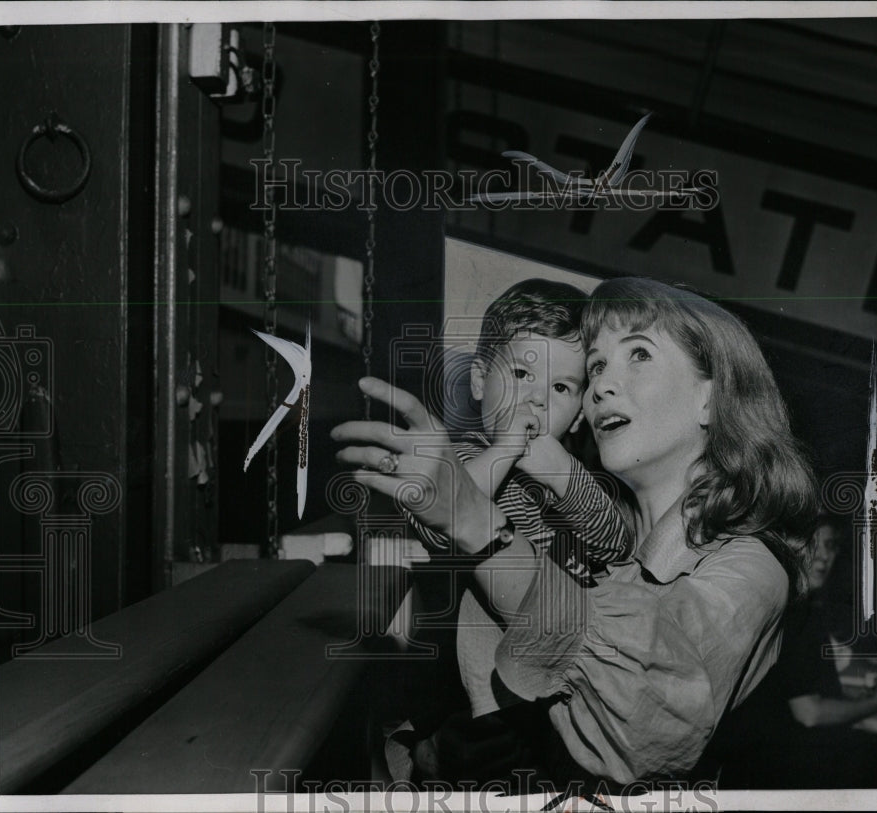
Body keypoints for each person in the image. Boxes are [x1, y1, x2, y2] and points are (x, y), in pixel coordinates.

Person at [333, 276, 818, 786]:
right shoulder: (614, 533)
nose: (603, 385)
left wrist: (474, 517)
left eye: (639, 355)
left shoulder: (748, 569)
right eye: (598, 366)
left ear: (712, 400)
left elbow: (643, 716)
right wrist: (435, 752)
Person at [403, 279, 633, 720]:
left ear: (581, 414)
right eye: (522, 375)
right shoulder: (468, 455)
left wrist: (563, 474)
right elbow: (438, 514)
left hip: (570, 651)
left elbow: (615, 545)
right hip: (491, 662)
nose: (537, 400)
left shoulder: (576, 474)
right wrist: (504, 451)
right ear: (478, 381)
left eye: (562, 388)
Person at [717, 516, 877, 789]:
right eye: (814, 544)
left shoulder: (792, 604)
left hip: (750, 766)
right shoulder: (797, 613)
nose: (824, 555)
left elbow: (792, 689)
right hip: (772, 772)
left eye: (831, 545)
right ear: (792, 547)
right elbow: (809, 713)